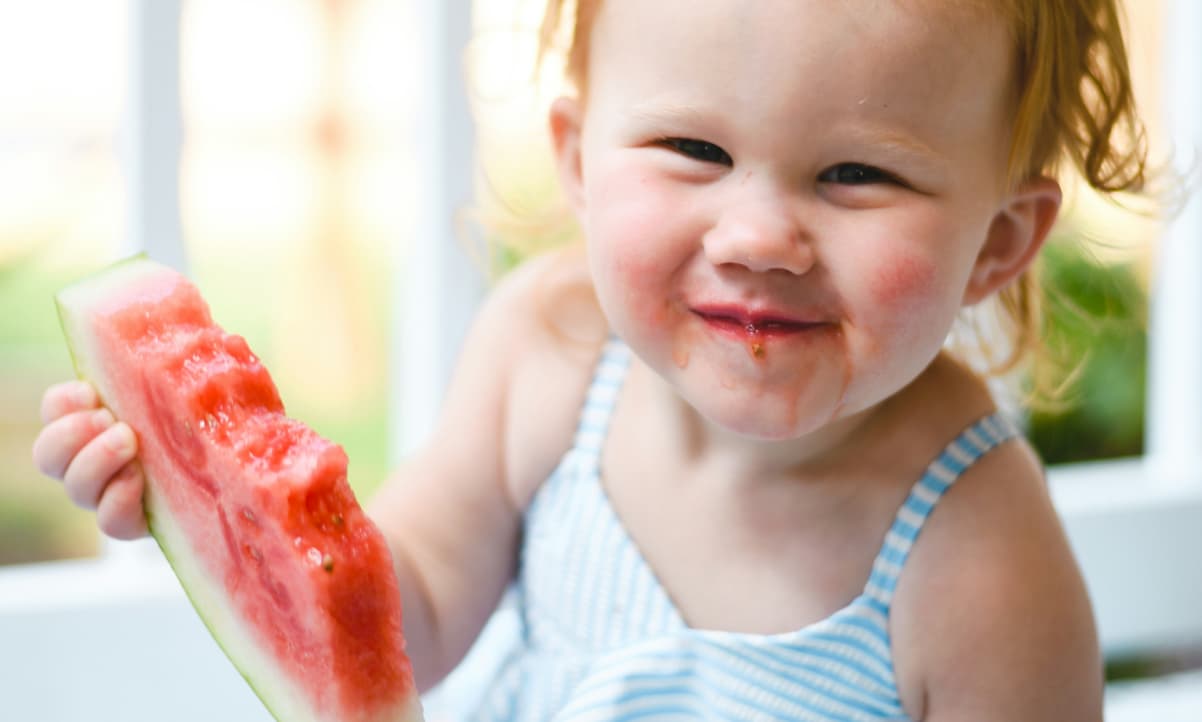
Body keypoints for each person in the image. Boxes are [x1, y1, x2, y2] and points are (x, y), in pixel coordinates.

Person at [34, 0, 1152, 719]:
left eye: (856, 173)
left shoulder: (976, 557)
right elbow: (402, 610)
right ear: (576, 158)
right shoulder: (547, 357)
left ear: (996, 242)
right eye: (692, 149)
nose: (758, 236)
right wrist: (211, 505)